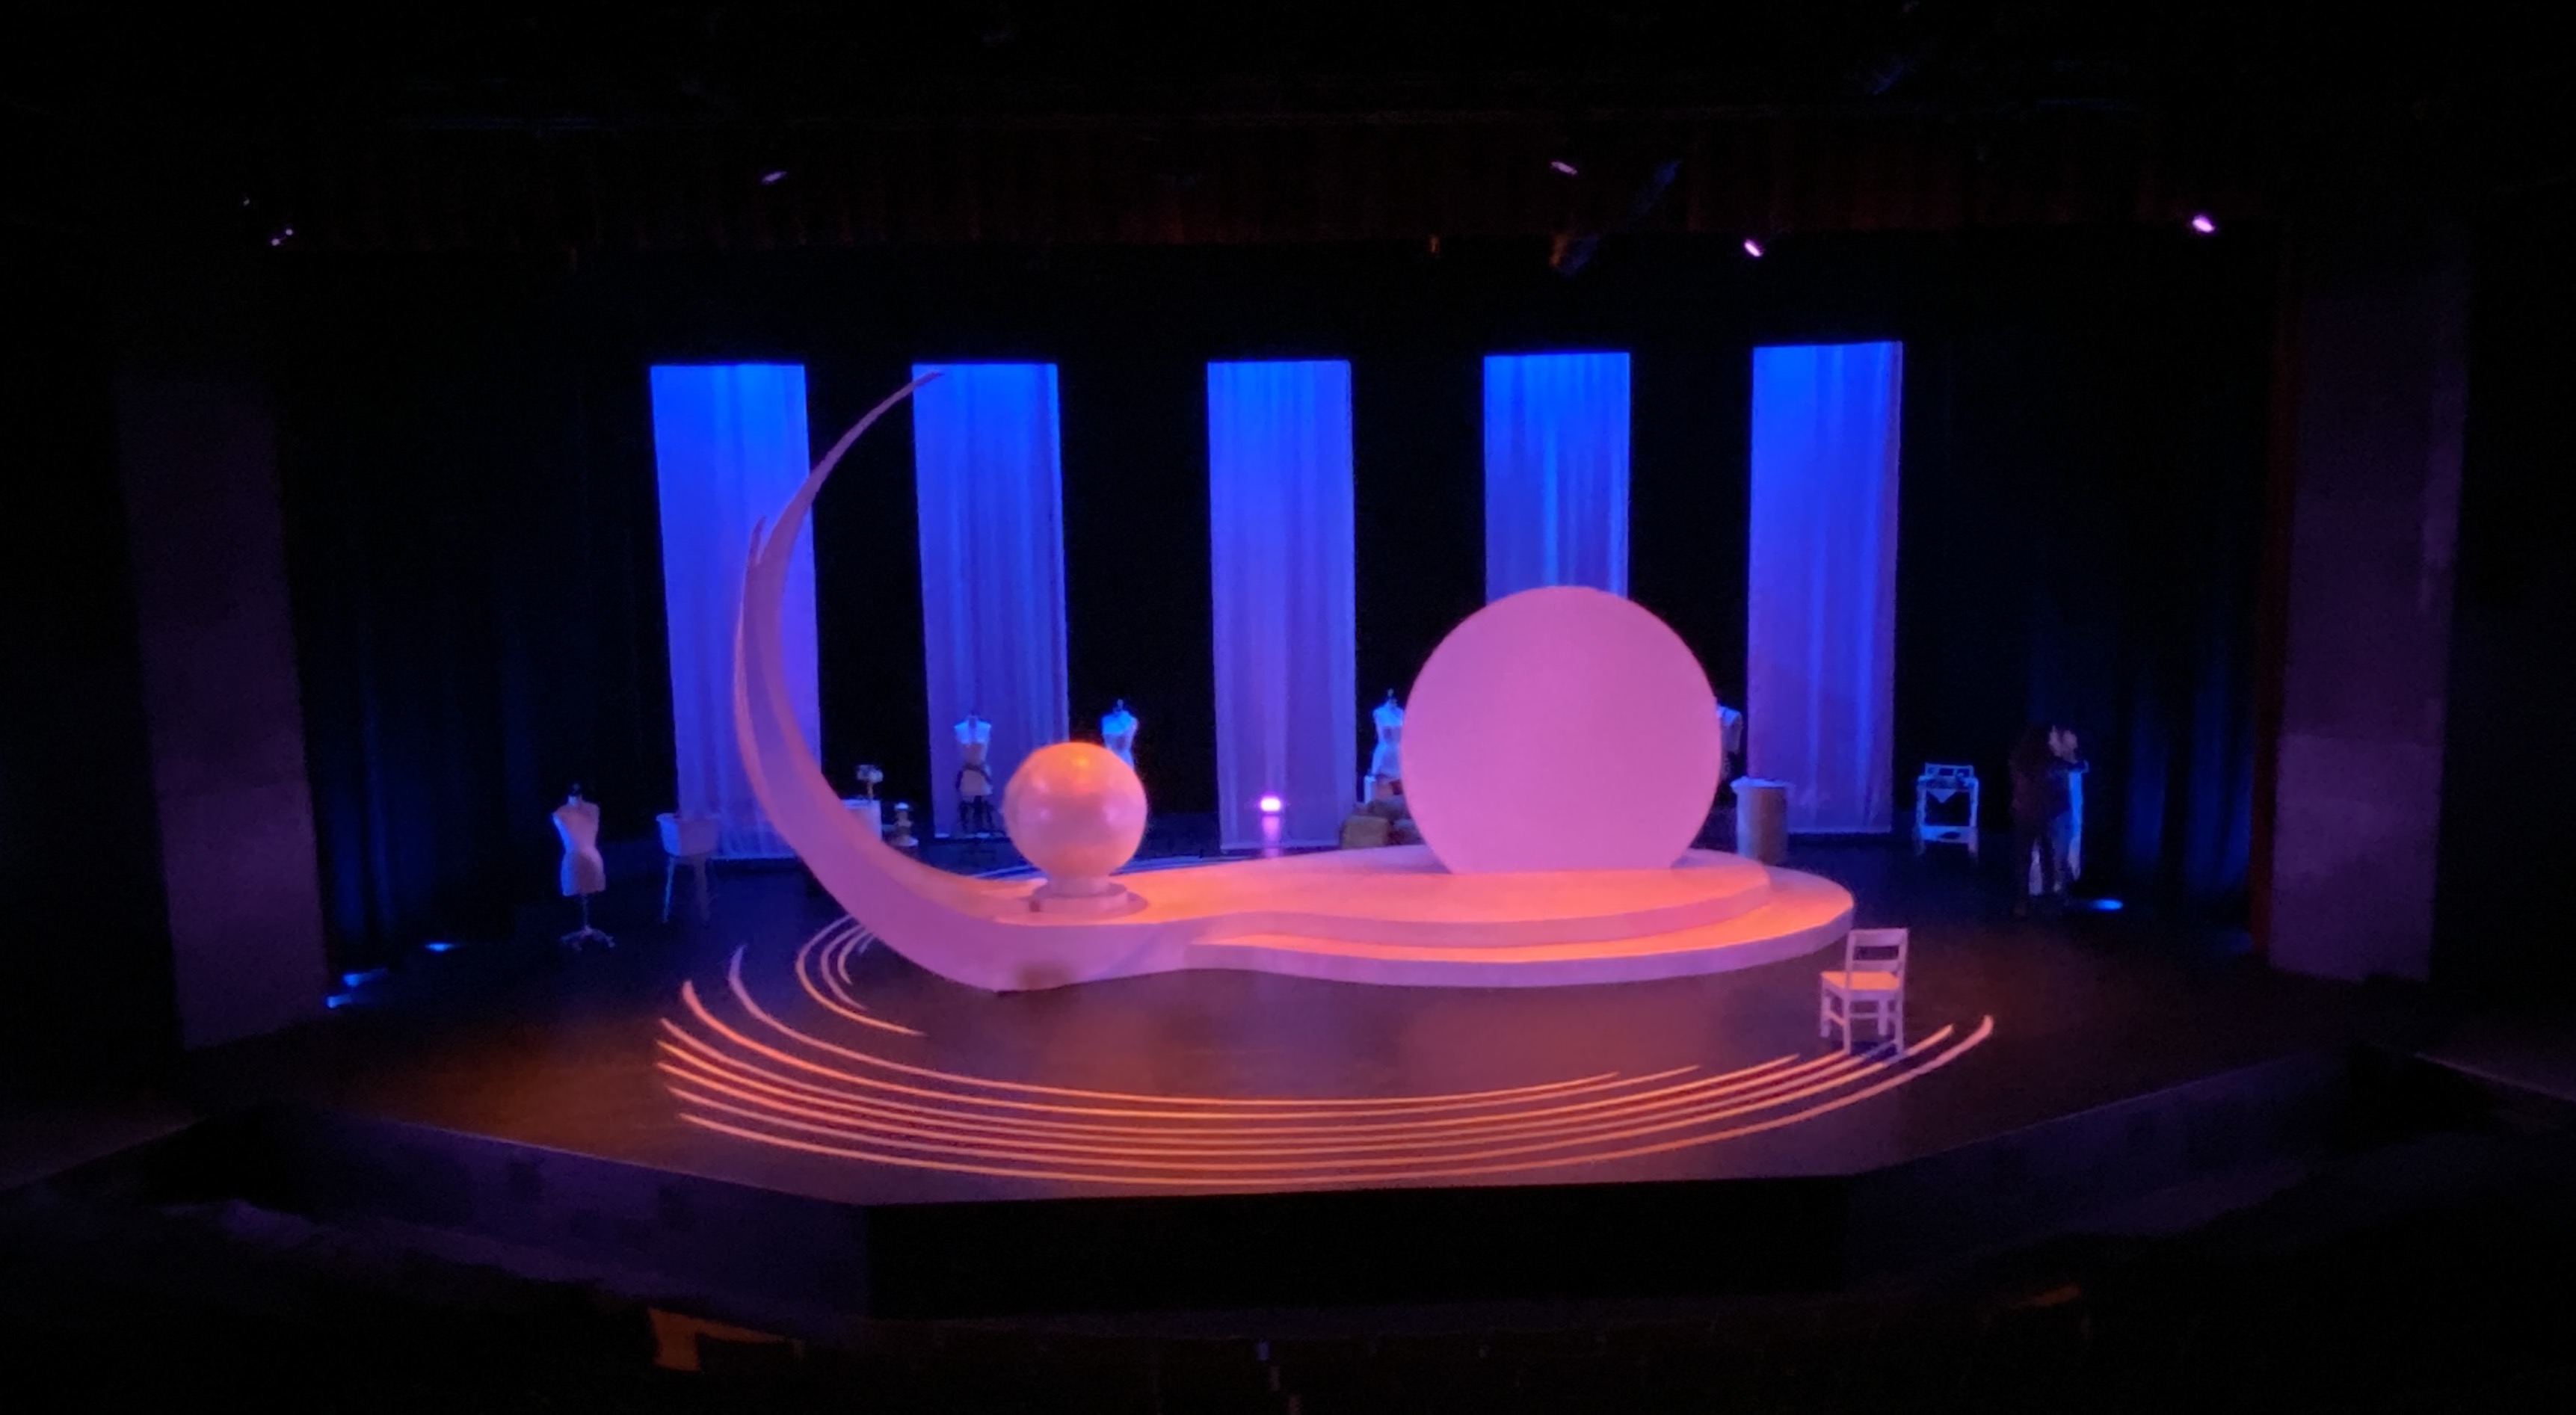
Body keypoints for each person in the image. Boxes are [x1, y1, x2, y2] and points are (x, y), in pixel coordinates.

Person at [2008, 724, 2074, 916]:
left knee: (2023, 859)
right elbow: (2073, 769)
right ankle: (2048, 899)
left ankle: (2022, 902)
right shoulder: (2052, 762)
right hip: (2045, 815)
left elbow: (2018, 785)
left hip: (2023, 813)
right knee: (2047, 859)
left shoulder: (2018, 760)